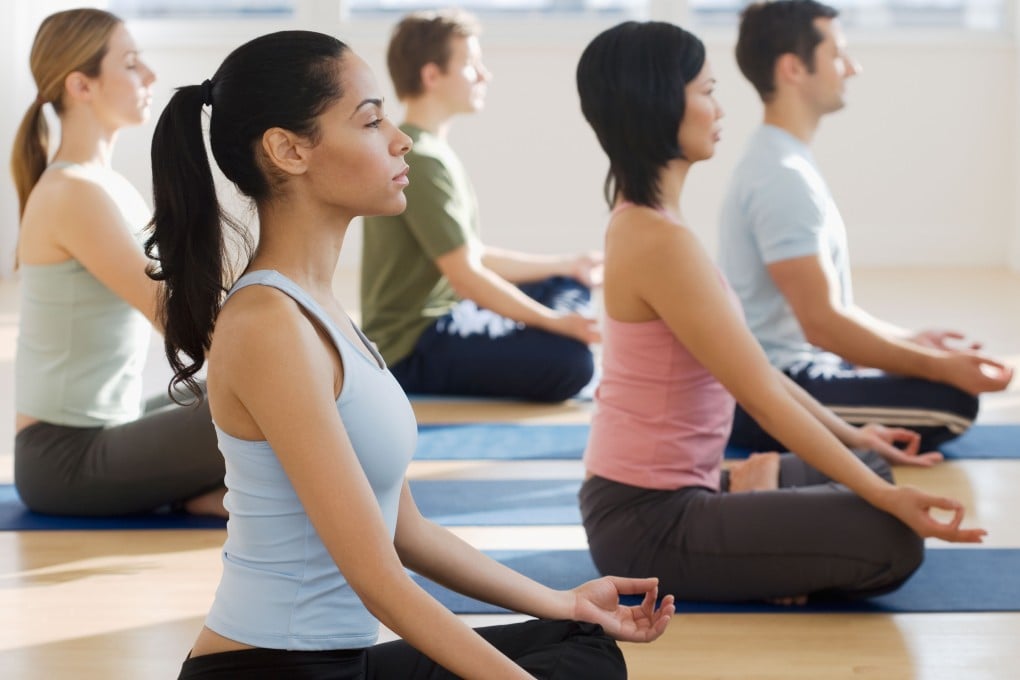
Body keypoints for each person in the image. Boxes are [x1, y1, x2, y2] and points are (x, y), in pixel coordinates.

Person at [146, 29, 673, 679]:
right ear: (287, 150)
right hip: (272, 670)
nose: (399, 140)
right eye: (370, 120)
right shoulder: (267, 325)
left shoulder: (321, 309)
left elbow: (407, 532)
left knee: (581, 642)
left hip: (342, 660)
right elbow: (379, 581)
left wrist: (563, 600)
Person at [575, 19, 986, 605]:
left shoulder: (650, 223)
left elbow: (760, 374)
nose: (719, 108)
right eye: (707, 90)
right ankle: (760, 530)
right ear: (660, 103)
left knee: (868, 464)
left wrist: (857, 436)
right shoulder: (658, 241)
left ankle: (758, 511)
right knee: (891, 536)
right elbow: (762, 394)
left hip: (675, 492)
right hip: (648, 522)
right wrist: (885, 497)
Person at [718, 0, 1013, 453]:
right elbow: (823, 326)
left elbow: (830, 313)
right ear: (794, 68)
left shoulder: (783, 160)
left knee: (938, 384)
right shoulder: (781, 176)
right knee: (950, 403)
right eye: (837, 54)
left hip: (798, 369)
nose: (852, 68)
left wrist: (913, 342)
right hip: (772, 390)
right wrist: (937, 366)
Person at [10, 8, 225, 517]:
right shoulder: (73, 193)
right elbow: (178, 322)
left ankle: (198, 494)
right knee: (274, 397)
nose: (149, 76)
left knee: (262, 390)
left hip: (112, 428)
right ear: (81, 86)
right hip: (64, 459)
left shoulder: (104, 185)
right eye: (130, 63)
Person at [360, 10, 601, 403]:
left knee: (567, 283)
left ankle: (554, 307)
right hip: (414, 345)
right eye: (471, 66)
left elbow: (471, 256)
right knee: (573, 364)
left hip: (454, 315)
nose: (484, 75)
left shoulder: (431, 151)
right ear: (432, 75)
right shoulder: (420, 158)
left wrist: (566, 264)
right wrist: (557, 323)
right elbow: (465, 277)